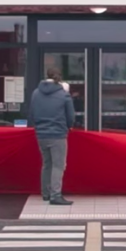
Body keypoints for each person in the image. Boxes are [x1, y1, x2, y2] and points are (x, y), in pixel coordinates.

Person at [28, 67, 75, 205]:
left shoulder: (36, 93)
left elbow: (31, 113)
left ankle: (45, 193)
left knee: (47, 164)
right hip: (58, 134)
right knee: (58, 165)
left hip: (41, 134)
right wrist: (68, 126)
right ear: (59, 78)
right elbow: (70, 115)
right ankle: (56, 195)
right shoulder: (63, 94)